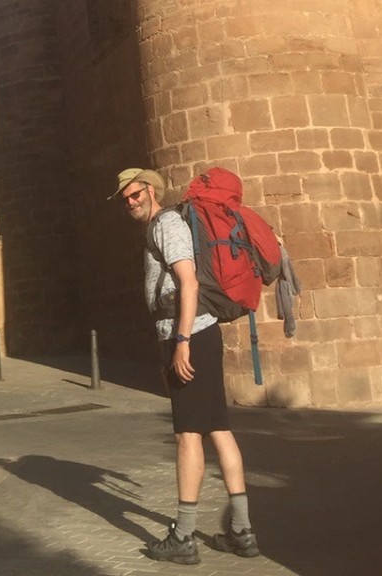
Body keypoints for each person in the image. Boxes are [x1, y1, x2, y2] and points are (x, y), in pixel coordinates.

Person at [110, 167, 260, 565]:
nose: (131, 202)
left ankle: (183, 535)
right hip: (195, 336)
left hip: (189, 335)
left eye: (135, 194)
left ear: (151, 190)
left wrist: (181, 343)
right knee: (219, 429)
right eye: (125, 198)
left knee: (188, 435)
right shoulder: (164, 224)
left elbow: (188, 283)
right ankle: (242, 531)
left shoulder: (165, 225)